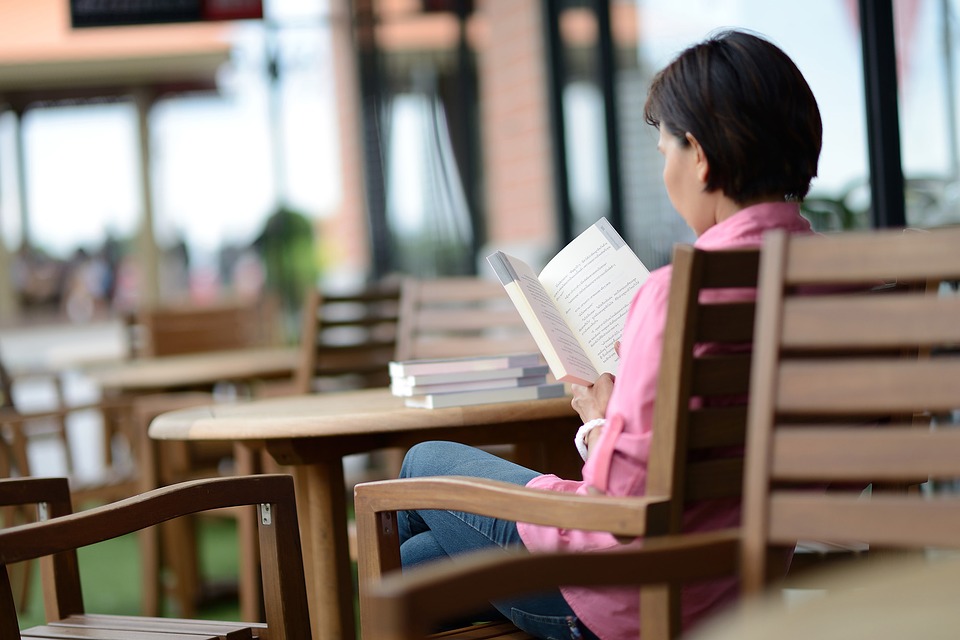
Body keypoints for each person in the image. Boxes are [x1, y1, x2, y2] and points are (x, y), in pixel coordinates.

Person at [396, 29, 822, 639]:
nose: (665, 169)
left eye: (664, 150)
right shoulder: (833, 286)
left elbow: (622, 502)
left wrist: (600, 420)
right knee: (416, 568)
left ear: (699, 156)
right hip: (737, 582)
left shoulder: (680, 294)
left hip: (627, 599)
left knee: (421, 463)